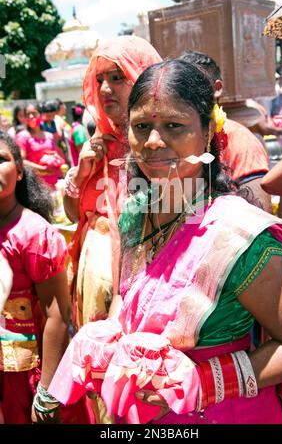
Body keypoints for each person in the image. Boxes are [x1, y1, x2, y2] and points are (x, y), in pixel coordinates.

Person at [49, 60, 282, 424]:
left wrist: (203, 382)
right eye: (141, 127)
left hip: (221, 413)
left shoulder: (239, 235)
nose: (153, 142)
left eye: (173, 126)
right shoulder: (137, 210)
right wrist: (114, 338)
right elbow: (128, 292)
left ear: (207, 134)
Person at [62, 35, 162, 423]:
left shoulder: (161, 144)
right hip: (91, 288)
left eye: (117, 77)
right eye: (100, 78)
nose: (105, 89)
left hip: (138, 285)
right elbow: (74, 214)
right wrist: (83, 171)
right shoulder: (98, 142)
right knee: (98, 383)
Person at [0, 131, 92, 424]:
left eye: (0, 160)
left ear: (19, 169)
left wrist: (47, 392)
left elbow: (58, 316)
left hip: (30, 374)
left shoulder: (35, 234)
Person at [178, 51, 272, 212]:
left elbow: (261, 215)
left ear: (217, 89)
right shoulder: (173, 138)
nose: (187, 94)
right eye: (180, 87)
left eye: (195, 85)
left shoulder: (239, 139)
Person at [15, 104, 65, 188]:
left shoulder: (49, 135)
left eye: (34, 113)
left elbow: (55, 154)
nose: (31, 116)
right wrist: (42, 169)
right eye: (27, 114)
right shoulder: (22, 136)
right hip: (35, 184)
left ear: (41, 115)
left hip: (53, 181)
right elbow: (20, 161)